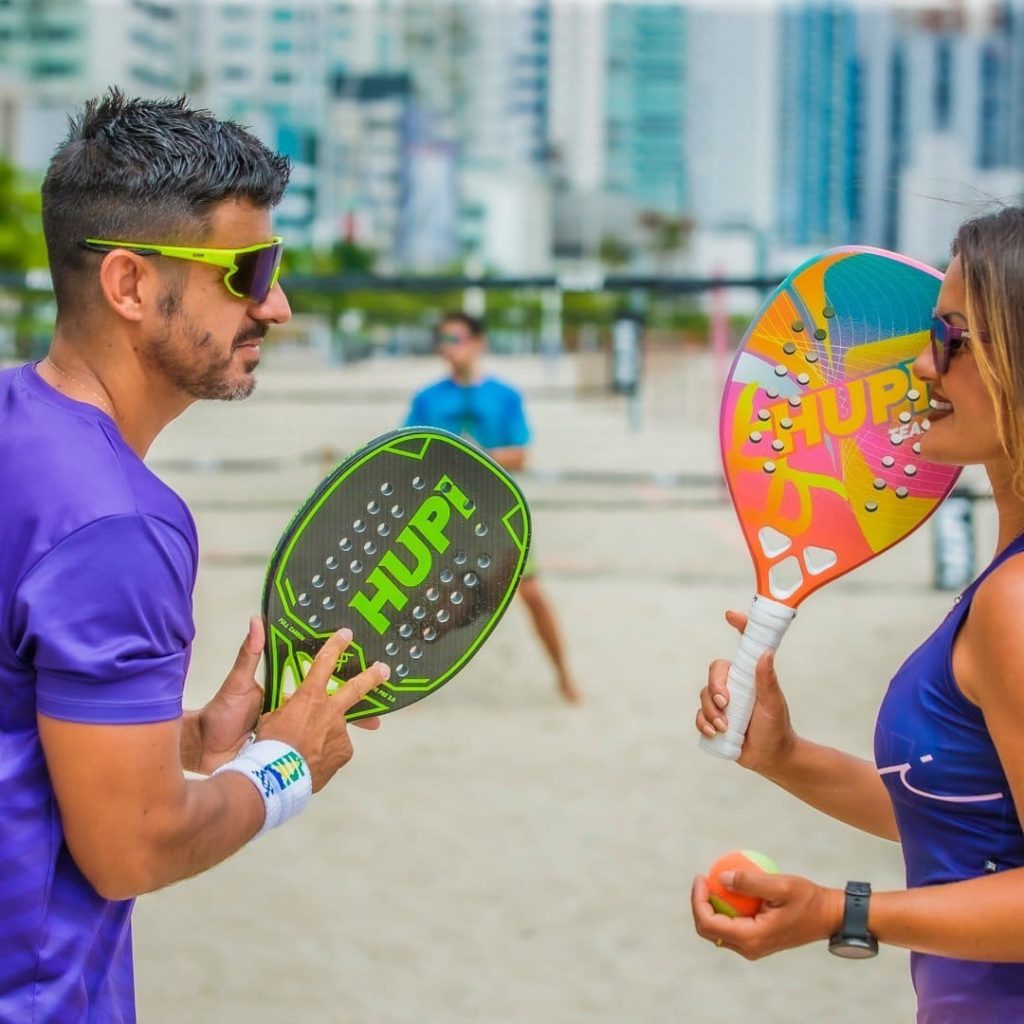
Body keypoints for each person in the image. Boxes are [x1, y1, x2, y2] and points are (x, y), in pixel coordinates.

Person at [0, 89, 390, 1023]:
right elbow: (131, 846)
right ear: (130, 283)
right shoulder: (119, 524)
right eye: (246, 271)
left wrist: (190, 744)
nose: (278, 306)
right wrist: (281, 767)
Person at [691, 206, 1024, 1022]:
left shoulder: (1017, 604)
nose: (920, 363)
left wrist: (840, 912)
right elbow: (963, 816)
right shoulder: (1004, 582)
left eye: (951, 336)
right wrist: (788, 757)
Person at [404, 312, 581, 703]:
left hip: (496, 510)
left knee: (531, 593)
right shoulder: (427, 398)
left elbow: (521, 455)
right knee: (421, 600)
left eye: (457, 337)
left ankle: (564, 675)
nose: (449, 345)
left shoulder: (505, 395)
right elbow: (409, 452)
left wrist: (473, 457)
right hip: (441, 513)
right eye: (443, 338)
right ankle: (402, 686)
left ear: (479, 342)